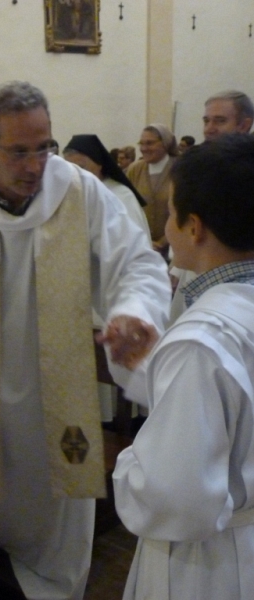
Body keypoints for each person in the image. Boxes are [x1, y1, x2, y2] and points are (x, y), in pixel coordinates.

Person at [0, 81, 170, 600]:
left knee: (61, 511)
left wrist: (132, 311)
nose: (35, 164)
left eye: (44, 146)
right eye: (19, 150)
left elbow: (135, 262)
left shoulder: (79, 189)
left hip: (61, 389)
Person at [113, 134, 254, 600]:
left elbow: (176, 497)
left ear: (194, 227)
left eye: (170, 213)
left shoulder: (201, 340)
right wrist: (152, 370)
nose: (166, 229)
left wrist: (128, 465)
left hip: (214, 562)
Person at [170, 90, 254, 323]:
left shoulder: (246, 170)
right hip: (199, 267)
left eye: (220, 120)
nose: (209, 128)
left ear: (245, 124)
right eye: (206, 120)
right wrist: (177, 270)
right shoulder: (198, 163)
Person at [63, 134, 149, 236]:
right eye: (71, 169)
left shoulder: (120, 196)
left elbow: (134, 241)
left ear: (99, 165)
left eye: (81, 168)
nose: (76, 175)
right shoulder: (73, 195)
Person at [127, 124, 179, 256]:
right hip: (141, 246)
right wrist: (144, 241)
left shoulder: (181, 168)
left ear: (165, 144)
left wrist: (162, 242)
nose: (144, 149)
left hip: (176, 247)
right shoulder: (134, 170)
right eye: (141, 143)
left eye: (150, 143)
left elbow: (186, 211)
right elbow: (126, 208)